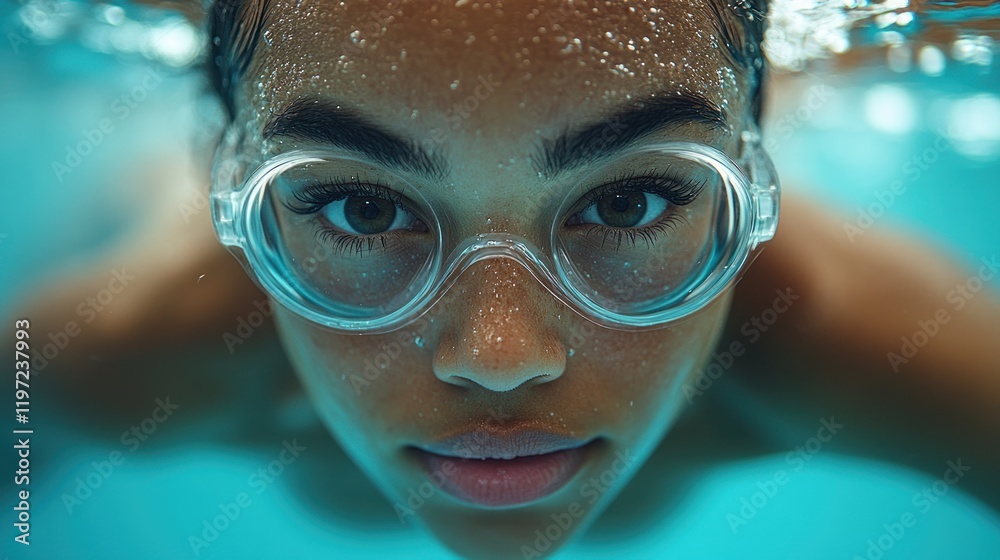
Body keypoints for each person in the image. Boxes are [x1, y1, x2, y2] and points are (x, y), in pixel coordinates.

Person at [18, 1, 1000, 558]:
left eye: (629, 203)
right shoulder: (110, 348)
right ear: (233, 192)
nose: (499, 358)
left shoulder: (860, 336)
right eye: (364, 210)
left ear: (750, 176)